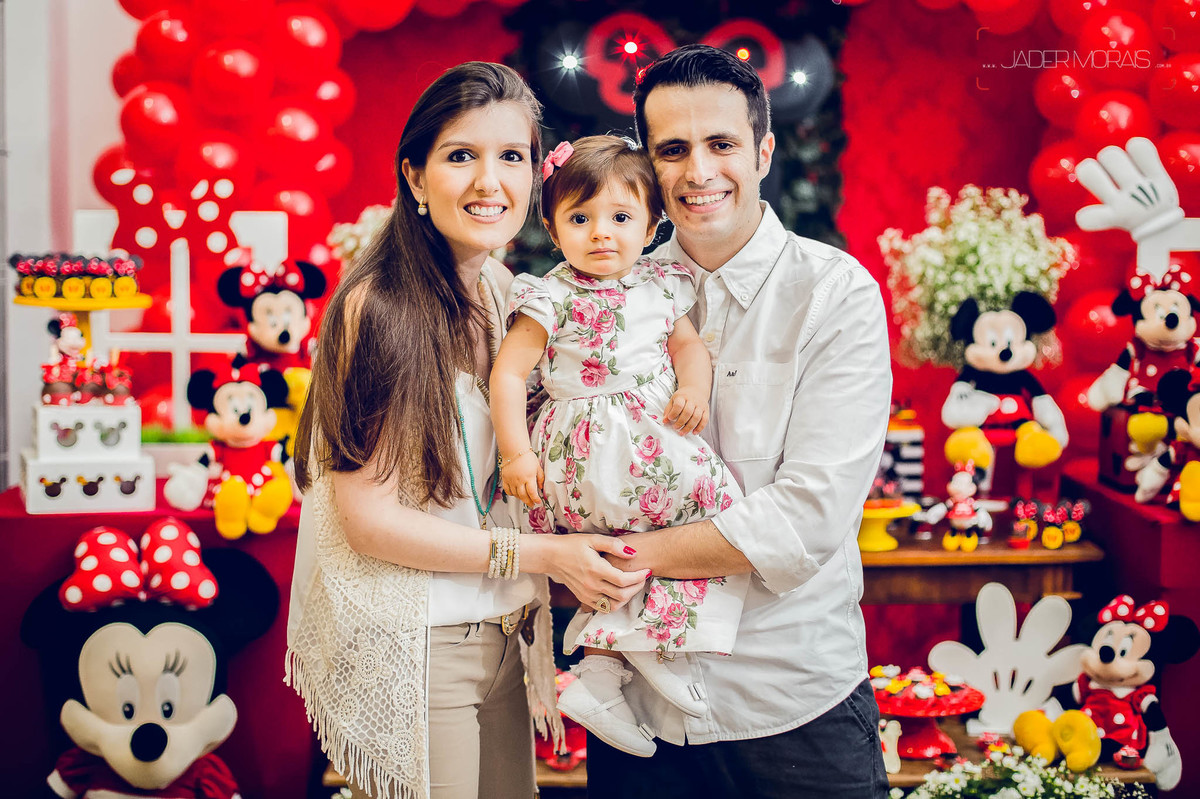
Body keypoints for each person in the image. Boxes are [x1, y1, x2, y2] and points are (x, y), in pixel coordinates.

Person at [283, 62, 650, 799]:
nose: (490, 182)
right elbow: (367, 523)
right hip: (417, 642)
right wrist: (544, 552)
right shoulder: (380, 309)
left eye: (510, 157)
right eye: (461, 156)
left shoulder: (502, 291)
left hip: (505, 633)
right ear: (415, 177)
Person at [582, 44, 893, 798]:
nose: (698, 172)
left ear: (764, 149)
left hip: (793, 702)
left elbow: (806, 518)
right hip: (641, 712)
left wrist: (612, 558)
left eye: (721, 144)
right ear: (647, 165)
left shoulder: (834, 294)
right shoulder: (607, 293)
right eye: (673, 150)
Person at [489, 135, 748, 757]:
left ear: (652, 224)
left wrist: (694, 386)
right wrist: (515, 453)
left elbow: (688, 347)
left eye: (621, 218)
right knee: (620, 546)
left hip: (655, 435)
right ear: (553, 230)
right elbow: (507, 373)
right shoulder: (550, 295)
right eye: (580, 219)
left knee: (712, 519)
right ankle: (637, 659)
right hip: (588, 450)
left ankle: (609, 672)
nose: (601, 234)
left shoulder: (660, 283)